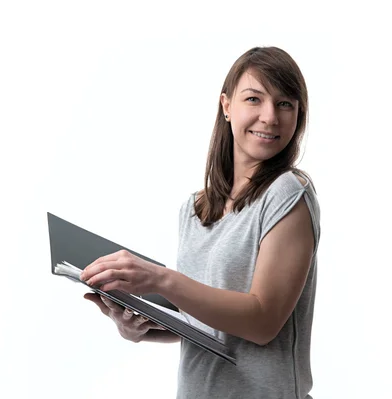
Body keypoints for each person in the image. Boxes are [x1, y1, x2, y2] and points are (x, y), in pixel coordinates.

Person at [80, 46, 321, 399]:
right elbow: (205, 324)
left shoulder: (287, 193)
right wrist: (139, 326)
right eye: (254, 99)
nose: (270, 116)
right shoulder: (196, 208)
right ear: (226, 106)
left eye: (285, 104)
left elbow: (262, 321)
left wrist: (160, 278)